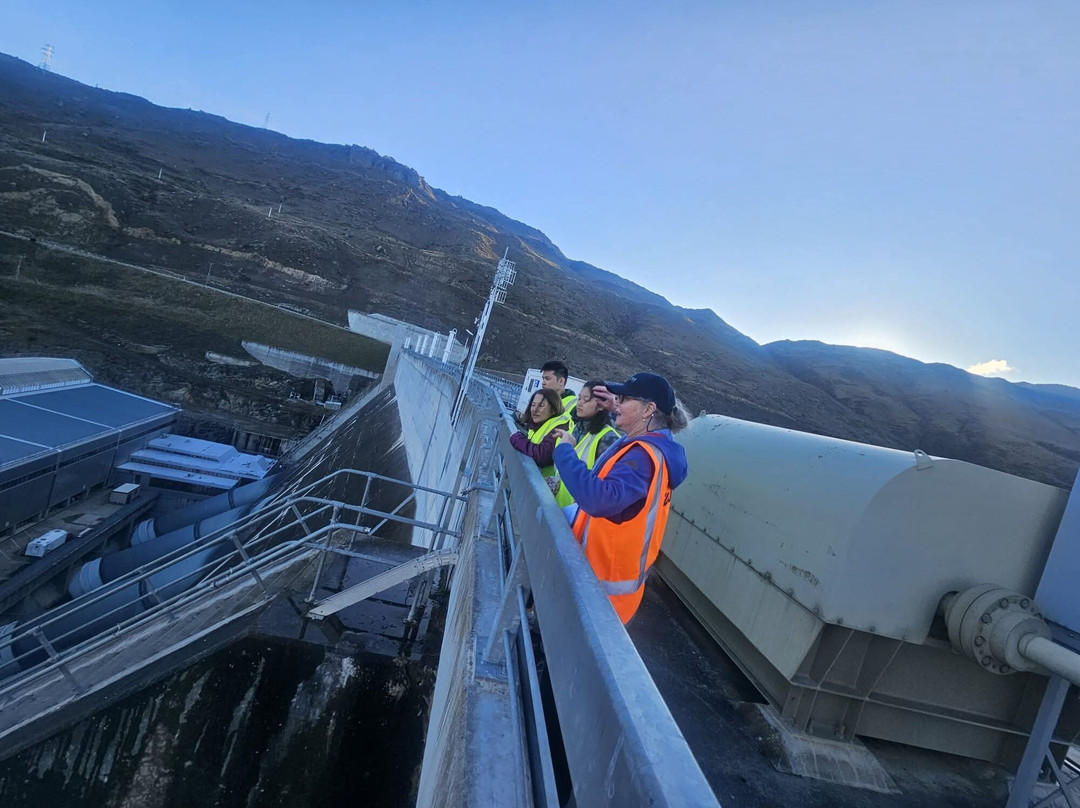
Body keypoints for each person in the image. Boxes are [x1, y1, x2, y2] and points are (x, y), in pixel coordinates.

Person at [552, 372, 689, 624]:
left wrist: (565, 451)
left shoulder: (643, 457)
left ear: (648, 409)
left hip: (600, 602)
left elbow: (598, 499)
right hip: (598, 589)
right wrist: (618, 408)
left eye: (624, 399)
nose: (617, 403)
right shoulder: (652, 445)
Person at [553, 380, 621, 508]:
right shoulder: (575, 428)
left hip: (579, 513)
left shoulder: (608, 439)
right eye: (579, 398)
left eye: (586, 399)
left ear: (601, 406)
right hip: (560, 507)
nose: (579, 403)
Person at [510, 388, 573, 478]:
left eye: (541, 406)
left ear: (553, 409)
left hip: (545, 483)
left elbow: (542, 455)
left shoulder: (560, 425)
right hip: (535, 479)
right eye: (533, 405)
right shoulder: (540, 423)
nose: (535, 410)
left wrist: (517, 439)